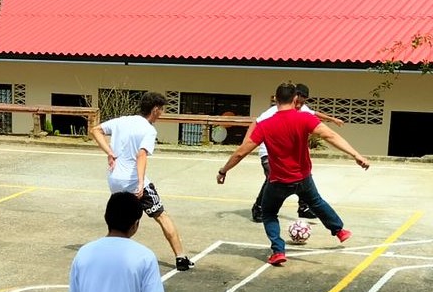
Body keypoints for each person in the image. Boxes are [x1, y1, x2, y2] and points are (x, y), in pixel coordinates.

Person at [217, 83, 370, 265]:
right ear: (295, 99)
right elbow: (331, 136)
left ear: (275, 98)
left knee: (269, 213)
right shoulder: (305, 118)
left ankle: (278, 251)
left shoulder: (266, 124)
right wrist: (356, 155)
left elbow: (242, 152)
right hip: (303, 178)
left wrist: (223, 170)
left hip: (278, 181)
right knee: (317, 202)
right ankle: (339, 231)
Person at [90, 92, 195, 272]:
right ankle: (181, 257)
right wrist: (140, 183)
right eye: (161, 110)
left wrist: (109, 152)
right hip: (134, 182)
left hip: (115, 181)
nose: (162, 114)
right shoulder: (148, 130)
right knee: (162, 216)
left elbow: (95, 130)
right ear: (155, 110)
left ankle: (111, 256)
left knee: (120, 221)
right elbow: (141, 155)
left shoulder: (122, 121)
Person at [250, 83, 345, 222]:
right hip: (269, 153)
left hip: (289, 153)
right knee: (273, 179)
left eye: (303, 103)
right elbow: (256, 123)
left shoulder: (302, 108)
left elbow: (313, 114)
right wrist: (247, 143)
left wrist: (332, 119)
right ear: (294, 98)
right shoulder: (273, 112)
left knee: (302, 177)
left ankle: (304, 207)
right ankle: (259, 208)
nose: (300, 106)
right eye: (298, 102)